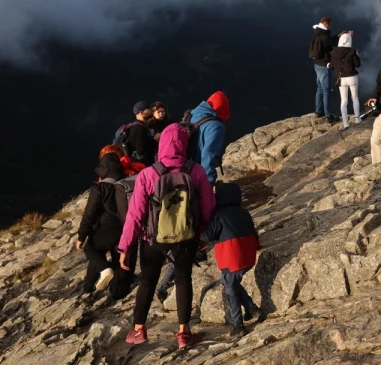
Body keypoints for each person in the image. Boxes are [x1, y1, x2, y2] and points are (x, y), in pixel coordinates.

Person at [118, 123, 216, 350]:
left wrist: (125, 248)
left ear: (161, 145)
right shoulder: (196, 171)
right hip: (186, 236)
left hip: (153, 238)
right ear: (185, 144)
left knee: (147, 280)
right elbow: (207, 208)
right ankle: (184, 333)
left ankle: (139, 330)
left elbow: (135, 215)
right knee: (183, 280)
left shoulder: (147, 174)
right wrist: (202, 235)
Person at [200, 182, 262, 339]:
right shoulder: (244, 212)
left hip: (231, 256)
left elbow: (207, 236)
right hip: (248, 255)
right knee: (230, 281)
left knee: (230, 288)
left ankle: (237, 325)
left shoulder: (219, 214)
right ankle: (251, 309)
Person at [76, 152, 135, 302]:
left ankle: (102, 272)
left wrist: (82, 235)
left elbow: (90, 214)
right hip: (126, 228)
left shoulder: (100, 188)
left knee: (91, 249)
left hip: (105, 228)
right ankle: (116, 292)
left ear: (104, 170)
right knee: (120, 259)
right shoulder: (128, 183)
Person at [185, 91, 229, 188]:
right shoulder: (216, 126)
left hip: (183, 169)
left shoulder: (190, 116)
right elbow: (209, 154)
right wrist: (207, 183)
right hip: (197, 172)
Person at [332, 31, 362, 129]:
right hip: (352, 77)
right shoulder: (352, 51)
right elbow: (357, 64)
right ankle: (357, 119)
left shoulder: (334, 52)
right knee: (355, 98)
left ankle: (345, 123)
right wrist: (357, 55)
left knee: (344, 101)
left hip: (341, 79)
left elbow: (331, 66)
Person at [117, 101, 158, 167]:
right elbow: (141, 151)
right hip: (142, 166)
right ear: (142, 113)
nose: (150, 110)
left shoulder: (134, 125)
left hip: (137, 164)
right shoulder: (139, 128)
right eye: (148, 108)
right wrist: (155, 140)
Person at [310, 17, 336, 122]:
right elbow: (331, 43)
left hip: (317, 64)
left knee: (319, 89)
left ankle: (318, 111)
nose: (330, 27)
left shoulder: (317, 33)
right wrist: (341, 37)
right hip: (324, 66)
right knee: (326, 91)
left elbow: (329, 42)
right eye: (329, 25)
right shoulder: (324, 35)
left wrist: (337, 36)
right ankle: (328, 115)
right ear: (327, 24)